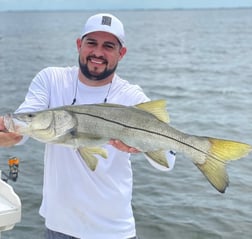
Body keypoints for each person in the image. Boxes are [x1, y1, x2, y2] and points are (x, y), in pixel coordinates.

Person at [0, 13, 176, 239]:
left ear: (121, 53)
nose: (98, 53)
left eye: (108, 46)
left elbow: (168, 162)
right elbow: (21, 129)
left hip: (113, 232)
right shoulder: (51, 79)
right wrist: (9, 132)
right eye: (91, 43)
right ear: (78, 45)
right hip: (58, 228)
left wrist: (143, 147)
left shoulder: (132, 97)